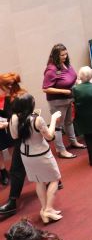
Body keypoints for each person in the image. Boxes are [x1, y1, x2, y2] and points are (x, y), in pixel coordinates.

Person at [9, 93, 62, 224]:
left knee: (39, 181)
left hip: (26, 155)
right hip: (41, 154)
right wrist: (54, 119)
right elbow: (50, 136)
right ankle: (48, 209)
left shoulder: (14, 118)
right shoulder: (37, 119)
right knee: (54, 179)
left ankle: (44, 209)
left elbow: (15, 137)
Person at [42, 43, 86, 159]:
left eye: (66, 54)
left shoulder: (66, 64)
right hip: (57, 102)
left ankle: (73, 141)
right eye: (62, 55)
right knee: (58, 127)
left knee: (69, 122)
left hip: (69, 100)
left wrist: (77, 82)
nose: (65, 57)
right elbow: (45, 88)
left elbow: (72, 77)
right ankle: (61, 150)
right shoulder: (51, 70)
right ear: (55, 55)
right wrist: (63, 91)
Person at [0, 73, 24, 186]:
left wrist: (6, 124)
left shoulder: (18, 97)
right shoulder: (6, 97)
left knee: (14, 147)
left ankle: (16, 167)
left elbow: (21, 117)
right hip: (8, 127)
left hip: (19, 129)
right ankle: (4, 171)